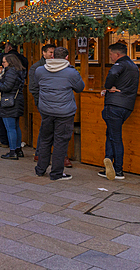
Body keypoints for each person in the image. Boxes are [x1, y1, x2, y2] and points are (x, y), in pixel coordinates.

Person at [33, 46, 84, 180]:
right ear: (66, 57)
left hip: (46, 110)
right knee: (60, 142)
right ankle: (56, 173)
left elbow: (38, 84)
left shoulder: (40, 71)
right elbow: (80, 88)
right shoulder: (71, 73)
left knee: (45, 140)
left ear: (52, 56)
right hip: (65, 112)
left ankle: (40, 169)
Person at [99, 42, 139, 180]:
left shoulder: (119, 65)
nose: (110, 57)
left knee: (115, 137)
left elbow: (113, 73)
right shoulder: (134, 66)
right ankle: (108, 161)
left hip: (114, 105)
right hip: (127, 106)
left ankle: (118, 170)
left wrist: (108, 86)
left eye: (110, 54)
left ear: (117, 54)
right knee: (111, 134)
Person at [0, 54, 25, 160]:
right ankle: (18, 149)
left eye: (4, 62)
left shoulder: (11, 71)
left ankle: (12, 152)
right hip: (17, 101)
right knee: (16, 127)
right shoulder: (18, 71)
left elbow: (6, 87)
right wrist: (1, 74)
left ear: (10, 62)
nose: (2, 64)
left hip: (9, 103)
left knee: (10, 128)